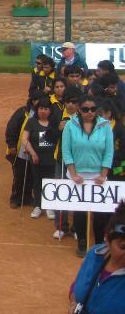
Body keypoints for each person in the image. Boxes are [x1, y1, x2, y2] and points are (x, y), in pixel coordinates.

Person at [63, 95, 114, 257]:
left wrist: (103, 174)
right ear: (79, 109)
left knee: (100, 214)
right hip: (77, 175)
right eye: (85, 109)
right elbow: (66, 150)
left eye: (93, 109)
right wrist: (73, 174)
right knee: (79, 213)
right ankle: (82, 243)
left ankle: (99, 243)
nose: (89, 112)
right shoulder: (70, 125)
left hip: (98, 175)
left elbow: (109, 151)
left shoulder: (105, 126)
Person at [67, 202, 125, 314]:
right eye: (122, 247)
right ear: (108, 240)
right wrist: (73, 303)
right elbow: (76, 287)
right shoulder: (94, 255)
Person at [21, 98, 58, 220]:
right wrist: (33, 154)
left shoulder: (55, 123)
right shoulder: (32, 122)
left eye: (46, 109)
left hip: (52, 159)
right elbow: (24, 139)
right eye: (41, 108)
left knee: (50, 181)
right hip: (36, 159)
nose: (43, 111)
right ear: (37, 110)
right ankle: (38, 205)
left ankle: (49, 206)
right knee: (37, 182)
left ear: (50, 110)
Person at [52, 86, 81, 239]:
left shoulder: (83, 118)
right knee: (61, 191)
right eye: (68, 102)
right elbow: (49, 136)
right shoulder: (57, 115)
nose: (70, 105)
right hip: (60, 159)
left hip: (78, 162)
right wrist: (58, 129)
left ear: (79, 104)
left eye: (74, 102)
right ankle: (61, 226)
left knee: (77, 193)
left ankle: (77, 227)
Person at [5, 91, 42, 209]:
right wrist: (12, 145)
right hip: (19, 150)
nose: (38, 103)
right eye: (36, 100)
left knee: (31, 175)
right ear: (32, 101)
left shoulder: (44, 115)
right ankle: (16, 198)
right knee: (19, 174)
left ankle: (27, 197)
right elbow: (11, 128)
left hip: (34, 151)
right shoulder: (22, 112)